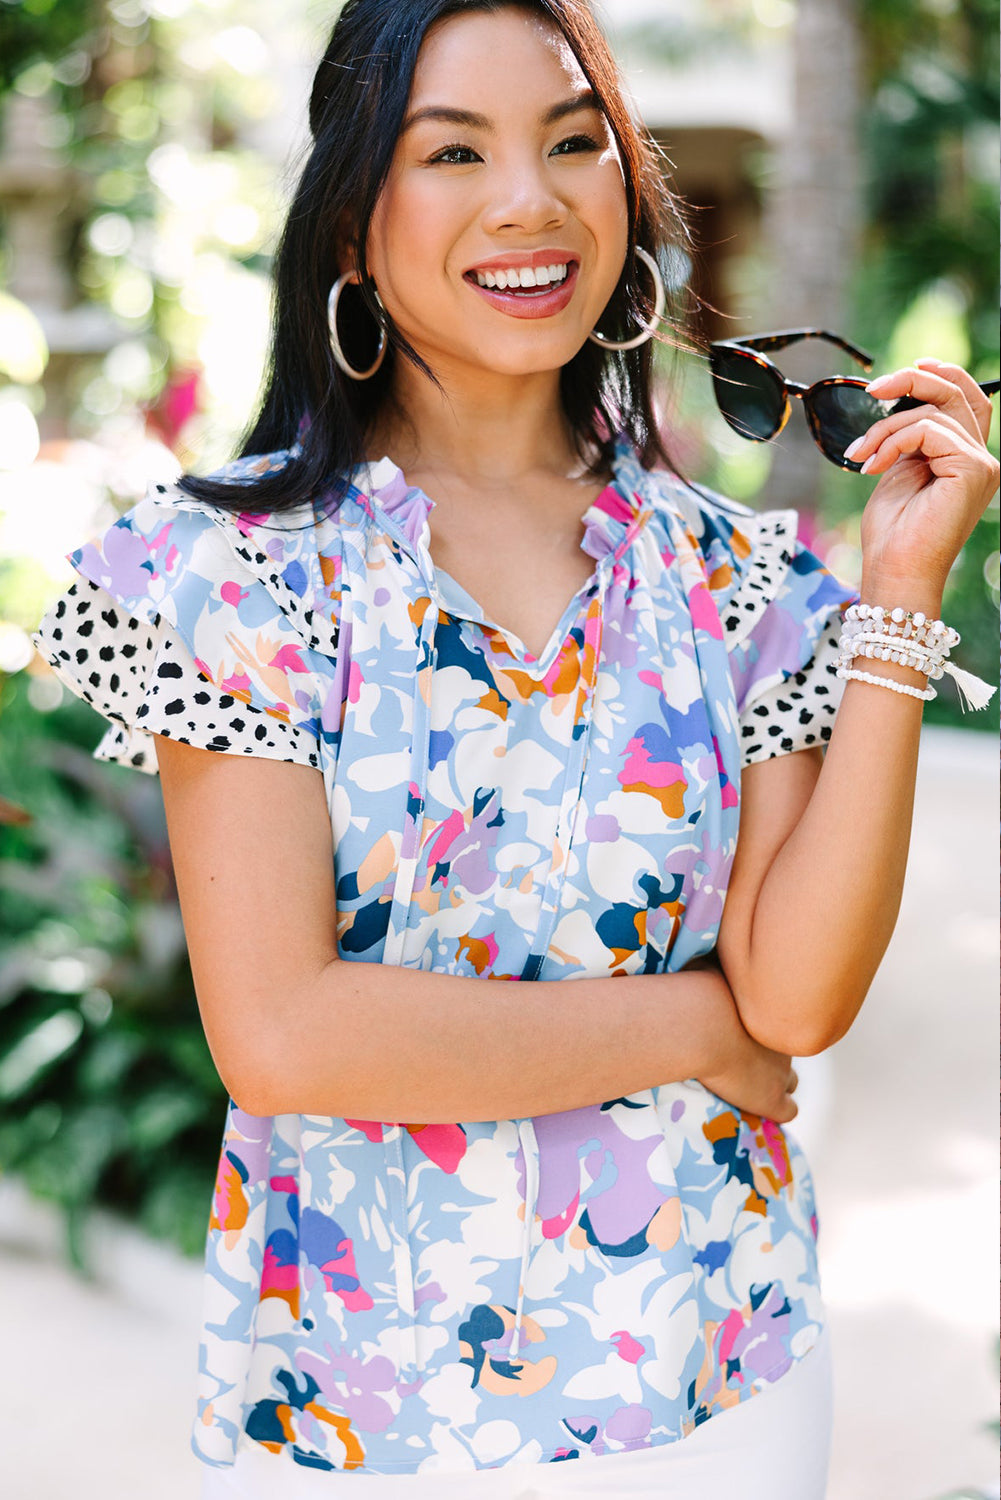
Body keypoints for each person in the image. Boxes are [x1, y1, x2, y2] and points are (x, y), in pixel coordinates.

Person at [31, 1, 998, 1496]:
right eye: (451, 151)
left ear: (626, 191)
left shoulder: (736, 580)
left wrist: (893, 607)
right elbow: (286, 1037)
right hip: (354, 1411)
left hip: (717, 1378)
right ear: (350, 224)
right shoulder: (233, 576)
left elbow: (792, 995)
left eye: (570, 143)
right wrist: (689, 1028)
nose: (526, 199)